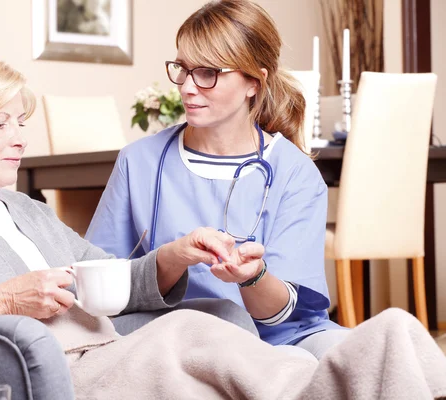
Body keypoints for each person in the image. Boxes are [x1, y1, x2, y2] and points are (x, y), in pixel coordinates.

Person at [0, 49, 446, 400]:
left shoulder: (24, 211)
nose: (20, 137)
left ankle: (385, 362)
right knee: (186, 335)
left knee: (389, 330)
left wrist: (172, 256)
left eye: (21, 121)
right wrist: (2, 299)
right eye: (0, 123)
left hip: (108, 345)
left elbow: (109, 278)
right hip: (59, 368)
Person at [87, 0, 348, 359]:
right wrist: (172, 259)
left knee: (354, 356)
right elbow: (98, 287)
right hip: (180, 336)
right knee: (289, 370)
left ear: (254, 83)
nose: (188, 88)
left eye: (208, 72)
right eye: (182, 68)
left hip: (282, 337)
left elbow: (284, 316)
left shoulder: (294, 173)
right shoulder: (140, 162)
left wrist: (250, 277)